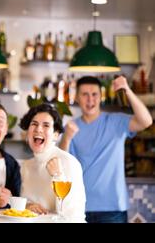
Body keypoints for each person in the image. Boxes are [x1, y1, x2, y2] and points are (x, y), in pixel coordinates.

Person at [59, 76, 152, 223]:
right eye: (85, 94)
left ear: (101, 96)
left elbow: (146, 121)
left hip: (113, 209)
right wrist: (66, 138)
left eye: (94, 94)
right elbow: (62, 164)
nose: (90, 100)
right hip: (79, 206)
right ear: (77, 97)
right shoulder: (71, 128)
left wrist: (127, 90)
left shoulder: (116, 121)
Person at [19, 103, 86, 221]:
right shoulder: (26, 166)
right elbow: (22, 204)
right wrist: (27, 206)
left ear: (56, 135)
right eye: (34, 124)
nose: (38, 129)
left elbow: (72, 215)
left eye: (46, 125)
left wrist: (58, 176)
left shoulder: (68, 162)